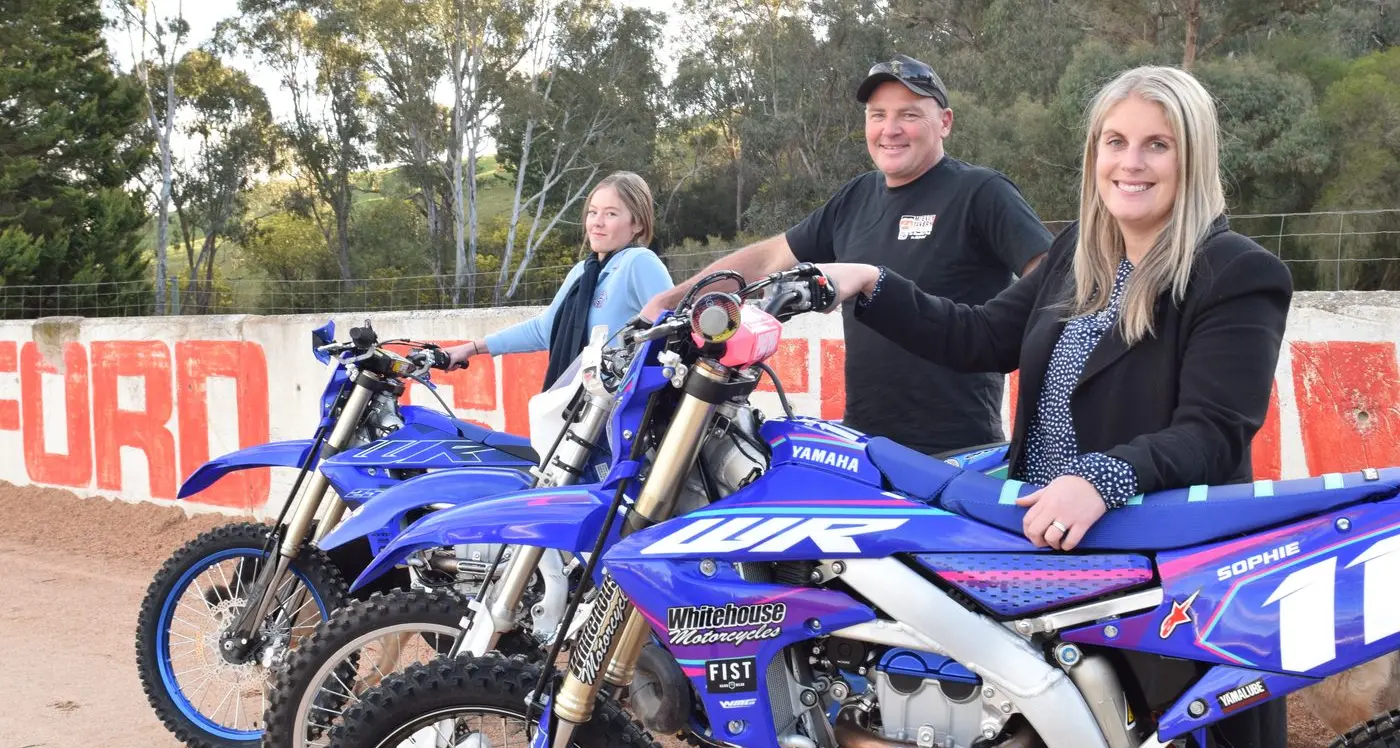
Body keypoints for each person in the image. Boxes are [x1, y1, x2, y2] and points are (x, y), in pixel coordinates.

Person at [818, 65, 1292, 747]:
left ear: (1194, 157)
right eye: (1114, 141)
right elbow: (977, 335)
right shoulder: (1077, 253)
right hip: (1044, 562)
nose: (1130, 163)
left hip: (1155, 578)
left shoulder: (1237, 272)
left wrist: (1100, 479)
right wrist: (872, 283)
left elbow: (1215, 430)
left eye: (1156, 145)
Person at [641, 54, 1052, 456]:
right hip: (863, 447)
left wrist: (987, 333)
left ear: (944, 122)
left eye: (909, 115)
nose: (890, 129)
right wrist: (672, 300)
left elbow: (1053, 276)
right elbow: (769, 259)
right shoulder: (856, 197)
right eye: (878, 115)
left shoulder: (982, 192)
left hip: (954, 452)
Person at [445, 171, 673, 389]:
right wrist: (470, 349)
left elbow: (672, 332)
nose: (597, 222)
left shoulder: (638, 262)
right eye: (593, 212)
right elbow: (543, 330)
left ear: (638, 224)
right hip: (579, 409)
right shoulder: (582, 273)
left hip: (621, 412)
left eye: (611, 214)